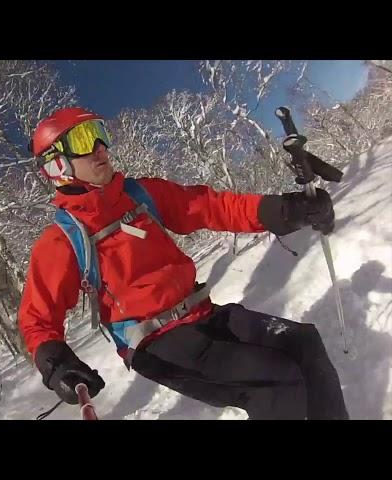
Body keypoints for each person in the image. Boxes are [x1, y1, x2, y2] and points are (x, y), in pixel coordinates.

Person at [18, 106, 348, 420]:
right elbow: (38, 317)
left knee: (303, 343)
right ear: (56, 165)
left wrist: (287, 210)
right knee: (274, 383)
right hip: (157, 344)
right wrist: (55, 362)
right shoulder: (61, 241)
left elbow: (211, 207)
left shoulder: (140, 194)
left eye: (99, 132)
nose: (99, 147)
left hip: (203, 313)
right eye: (82, 140)